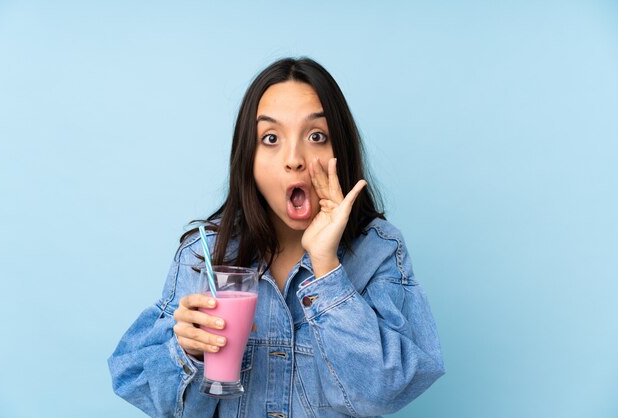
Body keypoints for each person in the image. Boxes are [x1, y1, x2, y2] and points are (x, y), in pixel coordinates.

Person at [108, 57, 445, 417]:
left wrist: (327, 268)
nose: (294, 159)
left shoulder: (379, 251)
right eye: (270, 138)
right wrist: (186, 352)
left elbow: (384, 393)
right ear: (247, 159)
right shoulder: (203, 253)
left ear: (340, 150)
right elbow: (144, 389)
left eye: (317, 136)